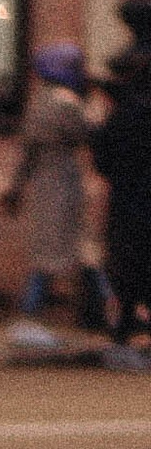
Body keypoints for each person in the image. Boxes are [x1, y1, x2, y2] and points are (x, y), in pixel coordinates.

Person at [4, 40, 105, 356]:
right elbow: (88, 133)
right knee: (72, 250)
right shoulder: (66, 103)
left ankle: (100, 305)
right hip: (64, 183)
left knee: (58, 252)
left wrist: (16, 188)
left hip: (45, 185)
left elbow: (27, 154)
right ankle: (32, 314)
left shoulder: (37, 103)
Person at [92, 56, 151, 366]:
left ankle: (123, 329)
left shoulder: (121, 116)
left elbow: (102, 160)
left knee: (128, 267)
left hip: (127, 203)